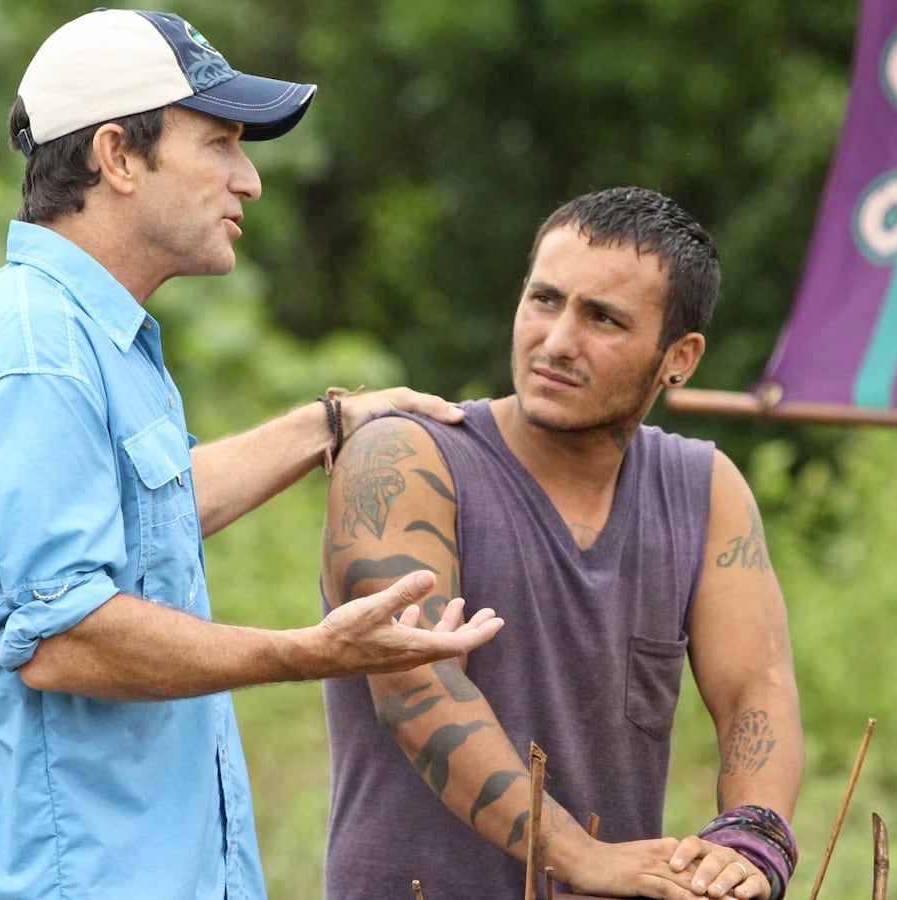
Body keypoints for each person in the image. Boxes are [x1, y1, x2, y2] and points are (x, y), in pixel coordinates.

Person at [0, 9, 502, 899]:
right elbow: (63, 637)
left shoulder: (91, 335)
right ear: (118, 157)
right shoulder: (33, 351)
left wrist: (326, 424)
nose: (248, 181)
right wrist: (308, 651)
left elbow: (147, 508)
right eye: (219, 143)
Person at [320, 187, 805, 899]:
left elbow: (754, 689)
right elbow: (414, 685)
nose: (556, 341)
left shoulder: (704, 489)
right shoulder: (404, 460)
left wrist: (752, 838)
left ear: (680, 357)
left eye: (602, 318)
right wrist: (577, 856)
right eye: (545, 300)